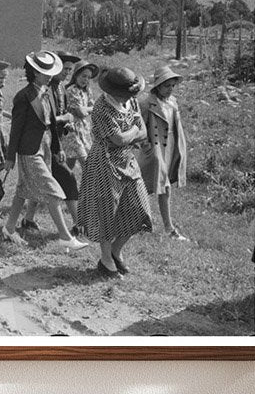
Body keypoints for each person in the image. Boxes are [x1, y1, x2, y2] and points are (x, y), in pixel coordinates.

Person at [2, 51, 88, 250]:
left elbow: (50, 124)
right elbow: (16, 129)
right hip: (29, 150)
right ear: (34, 72)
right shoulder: (23, 97)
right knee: (54, 191)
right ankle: (65, 237)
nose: (49, 75)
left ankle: (9, 228)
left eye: (50, 71)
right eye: (43, 72)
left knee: (23, 191)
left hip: (46, 148)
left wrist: (57, 148)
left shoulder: (47, 92)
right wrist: (10, 156)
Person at [79, 66, 153, 279]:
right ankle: (105, 259)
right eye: (125, 94)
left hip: (128, 161)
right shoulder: (102, 107)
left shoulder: (131, 101)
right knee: (106, 211)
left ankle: (116, 251)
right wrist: (133, 133)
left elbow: (143, 131)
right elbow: (118, 139)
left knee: (140, 209)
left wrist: (130, 134)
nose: (130, 97)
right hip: (104, 162)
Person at [20, 52, 83, 236]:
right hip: (44, 144)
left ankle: (28, 219)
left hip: (55, 142)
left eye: (70, 71)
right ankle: (77, 224)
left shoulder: (61, 88)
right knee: (67, 179)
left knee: (42, 183)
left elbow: (60, 115)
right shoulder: (43, 90)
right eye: (64, 69)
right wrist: (65, 118)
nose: (67, 74)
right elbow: (46, 119)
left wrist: (66, 123)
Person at [138, 64, 189, 240]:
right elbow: (139, 127)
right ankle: (154, 225)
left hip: (169, 147)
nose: (170, 89)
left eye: (173, 86)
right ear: (158, 85)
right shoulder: (146, 103)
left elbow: (175, 125)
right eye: (167, 85)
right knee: (147, 186)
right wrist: (147, 147)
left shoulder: (172, 102)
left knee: (163, 187)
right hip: (155, 148)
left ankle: (166, 226)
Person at [62, 59, 100, 168]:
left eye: (88, 77)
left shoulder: (86, 91)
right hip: (72, 131)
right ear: (76, 75)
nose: (86, 80)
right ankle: (92, 184)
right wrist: (89, 108)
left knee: (69, 165)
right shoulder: (72, 90)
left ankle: (64, 183)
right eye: (84, 76)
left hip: (84, 130)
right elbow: (81, 112)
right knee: (87, 164)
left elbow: (94, 108)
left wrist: (88, 108)